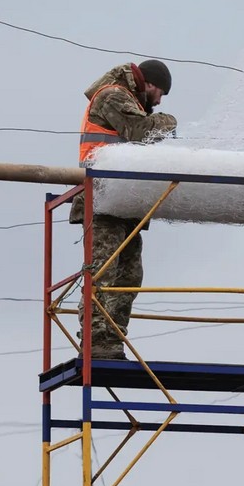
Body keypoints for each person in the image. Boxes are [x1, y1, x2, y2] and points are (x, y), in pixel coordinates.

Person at [70, 60, 177, 360]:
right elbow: (138, 131)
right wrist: (169, 121)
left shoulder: (130, 101)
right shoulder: (113, 96)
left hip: (125, 201)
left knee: (130, 274)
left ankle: (113, 338)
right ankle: (95, 340)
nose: (159, 100)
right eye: (161, 94)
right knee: (103, 271)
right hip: (102, 198)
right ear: (151, 85)